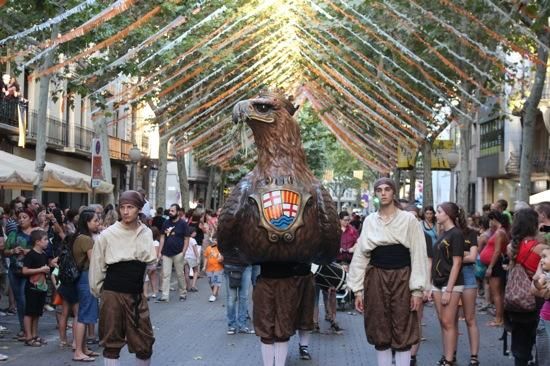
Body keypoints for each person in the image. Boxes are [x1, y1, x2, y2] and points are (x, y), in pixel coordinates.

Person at [347, 178, 429, 366]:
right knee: (379, 328)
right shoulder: (369, 221)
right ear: (375, 194)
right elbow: (361, 256)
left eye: (387, 189)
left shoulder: (409, 220)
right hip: (376, 278)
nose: (383, 193)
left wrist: (417, 289)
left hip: (402, 276)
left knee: (403, 328)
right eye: (379, 190)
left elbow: (418, 254)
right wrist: (358, 290)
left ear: (394, 192)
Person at [90, 190, 157, 366]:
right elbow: (97, 266)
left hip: (135, 294)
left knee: (144, 341)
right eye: (122, 207)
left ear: (139, 209)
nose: (126, 211)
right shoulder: (108, 234)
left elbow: (150, 261)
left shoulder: (146, 232)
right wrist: (99, 292)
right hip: (112, 293)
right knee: (111, 341)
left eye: (131, 207)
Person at [505, 208, 547, 366]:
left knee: (520, 346)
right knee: (540, 342)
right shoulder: (542, 249)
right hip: (537, 300)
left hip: (517, 300)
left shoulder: (511, 248)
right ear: (534, 225)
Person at [431, 202, 465, 366]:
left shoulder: (456, 234)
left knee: (448, 322)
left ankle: (449, 360)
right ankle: (447, 356)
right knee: (442, 321)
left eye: (438, 212)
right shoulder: (442, 233)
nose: (435, 214)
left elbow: (457, 263)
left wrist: (449, 290)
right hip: (437, 283)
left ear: (448, 214)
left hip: (450, 283)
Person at [72, 209, 101, 362]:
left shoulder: (79, 237)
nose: (98, 223)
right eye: (95, 220)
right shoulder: (86, 240)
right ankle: (78, 351)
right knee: (84, 315)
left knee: (82, 314)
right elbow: (95, 261)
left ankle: (83, 348)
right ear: (87, 222)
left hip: (82, 277)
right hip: (86, 277)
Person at [4, 208, 38, 340]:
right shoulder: (14, 233)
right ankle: (23, 328)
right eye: (20, 217)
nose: (21, 220)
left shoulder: (36, 233)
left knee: (25, 299)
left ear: (31, 218)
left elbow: (43, 249)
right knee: (19, 300)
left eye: (24, 217)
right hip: (14, 270)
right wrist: (13, 250)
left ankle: (29, 329)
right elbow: (5, 251)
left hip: (29, 270)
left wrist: (27, 251)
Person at [457, 212, 481, 366]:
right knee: (450, 319)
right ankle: (450, 355)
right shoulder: (444, 232)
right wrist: (463, 253)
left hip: (467, 274)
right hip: (448, 276)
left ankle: (474, 356)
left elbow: (473, 257)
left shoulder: (471, 233)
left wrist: (455, 256)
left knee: (470, 318)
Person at [479, 210, 510, 327]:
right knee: (499, 293)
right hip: (496, 264)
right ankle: (500, 317)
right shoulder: (500, 231)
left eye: (490, 220)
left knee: (496, 293)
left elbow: (497, 251)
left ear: (493, 220)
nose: (490, 223)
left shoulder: (499, 233)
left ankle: (498, 319)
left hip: (495, 265)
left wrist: (490, 267)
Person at [22, 229, 51, 346]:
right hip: (32, 288)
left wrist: (50, 266)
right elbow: (24, 270)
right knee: (29, 312)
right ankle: (28, 337)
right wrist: (41, 269)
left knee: (37, 313)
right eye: (45, 239)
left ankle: (34, 334)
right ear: (38, 242)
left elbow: (45, 268)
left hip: (41, 287)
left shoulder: (43, 255)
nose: (47, 242)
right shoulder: (30, 255)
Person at [157, 204, 190, 303]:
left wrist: (183, 252)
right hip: (166, 253)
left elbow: (186, 239)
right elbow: (162, 237)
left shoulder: (183, 224)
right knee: (166, 275)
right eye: (170, 211)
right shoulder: (166, 223)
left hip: (178, 253)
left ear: (178, 212)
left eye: (172, 211)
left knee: (180, 274)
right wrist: (159, 252)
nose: (170, 213)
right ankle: (164, 296)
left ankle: (183, 293)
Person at [203, 237, 223, 302]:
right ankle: (215, 292)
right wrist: (204, 266)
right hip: (209, 268)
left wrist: (221, 259)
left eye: (216, 240)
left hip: (218, 268)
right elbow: (206, 257)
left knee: (216, 281)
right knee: (211, 282)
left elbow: (223, 258)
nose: (215, 241)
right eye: (214, 240)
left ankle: (213, 295)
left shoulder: (221, 249)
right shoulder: (208, 248)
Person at [144, 227, 160, 299]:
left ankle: (146, 293)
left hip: (148, 261)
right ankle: (154, 292)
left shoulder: (149, 242)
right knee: (152, 278)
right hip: (152, 261)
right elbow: (156, 253)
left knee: (147, 278)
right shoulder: (156, 242)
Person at [184, 227, 200, 292]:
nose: (195, 233)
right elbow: (195, 250)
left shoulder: (185, 239)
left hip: (185, 257)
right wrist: (198, 258)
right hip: (192, 257)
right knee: (196, 271)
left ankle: (188, 286)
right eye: (194, 232)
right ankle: (193, 286)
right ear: (192, 233)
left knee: (186, 273)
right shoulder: (193, 240)